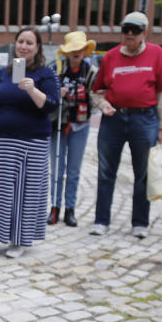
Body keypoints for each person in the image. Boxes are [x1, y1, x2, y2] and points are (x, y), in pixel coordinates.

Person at [0, 26, 59, 259]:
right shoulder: (4, 73)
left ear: (37, 47)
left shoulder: (45, 74)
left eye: (29, 42)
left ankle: (19, 240)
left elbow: (51, 106)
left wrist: (32, 90)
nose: (24, 46)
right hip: (1, 142)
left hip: (31, 143)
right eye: (21, 41)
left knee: (24, 193)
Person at [90, 11, 162, 239]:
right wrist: (103, 104)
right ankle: (101, 220)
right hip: (113, 119)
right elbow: (96, 91)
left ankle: (140, 222)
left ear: (144, 32)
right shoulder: (111, 57)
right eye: (125, 29)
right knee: (106, 171)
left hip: (144, 119)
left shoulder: (157, 54)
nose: (129, 34)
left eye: (135, 30)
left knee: (142, 173)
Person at [49, 30, 98, 227]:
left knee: (74, 170)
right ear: (67, 52)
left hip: (80, 125)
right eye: (73, 49)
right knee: (56, 171)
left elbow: (96, 96)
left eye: (80, 49)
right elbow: (48, 97)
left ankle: (70, 209)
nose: (76, 52)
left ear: (85, 50)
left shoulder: (91, 72)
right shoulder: (56, 69)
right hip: (58, 126)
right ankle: (54, 208)